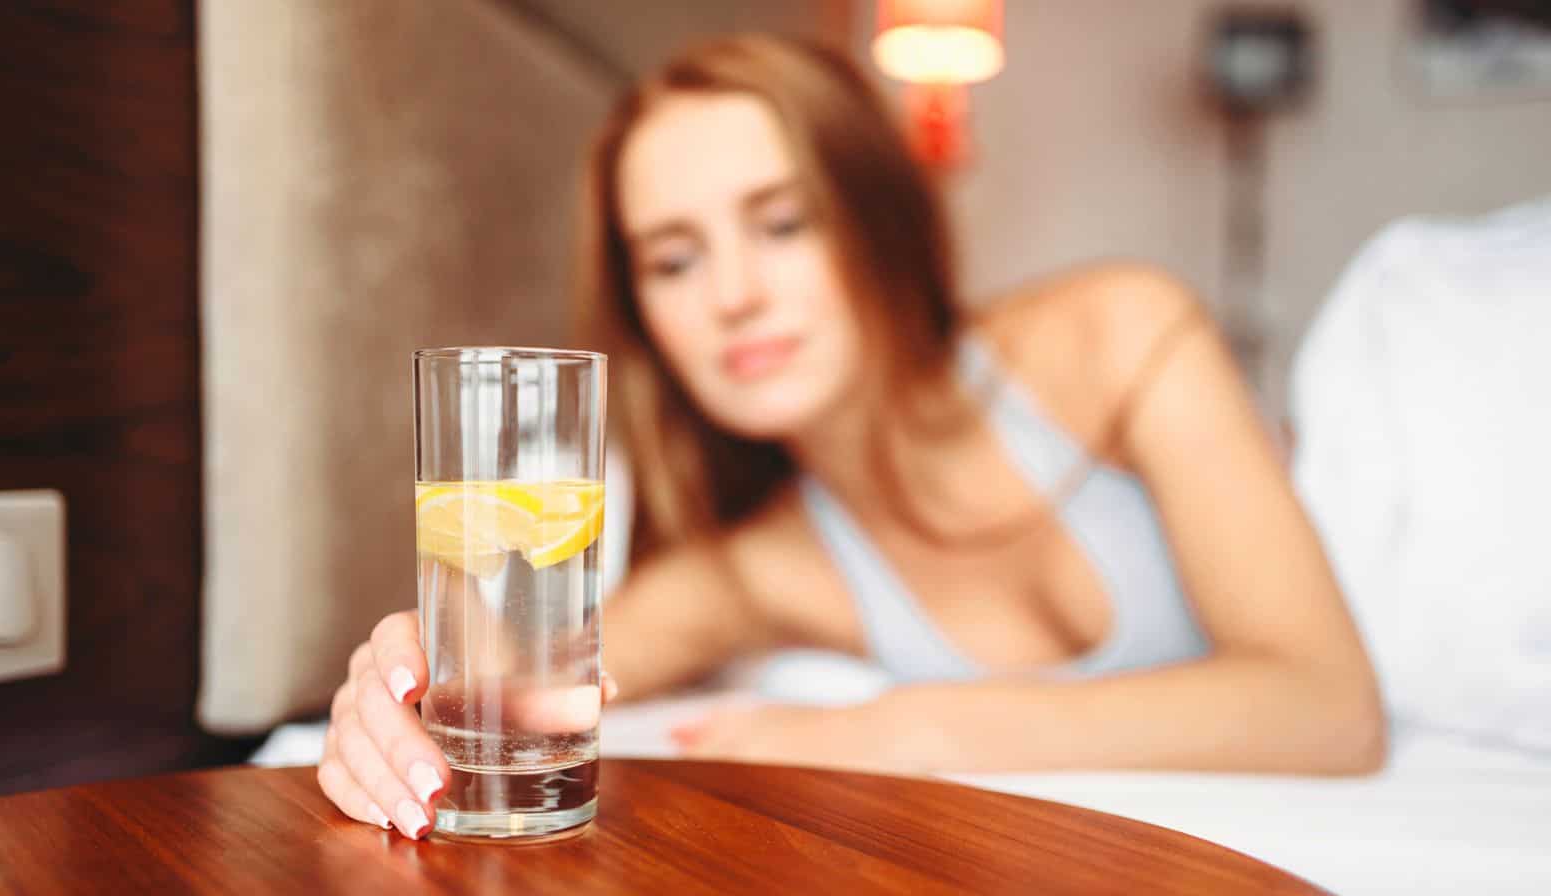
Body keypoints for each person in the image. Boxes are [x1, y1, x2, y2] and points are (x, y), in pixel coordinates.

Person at [317, 34, 1384, 839]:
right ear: (645, 317)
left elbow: (1329, 709)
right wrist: (400, 690)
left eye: (783, 223)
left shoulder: (1115, 334)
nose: (734, 295)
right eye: (674, 260)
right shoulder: (761, 566)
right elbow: (530, 676)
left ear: (875, 216)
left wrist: (909, 731)